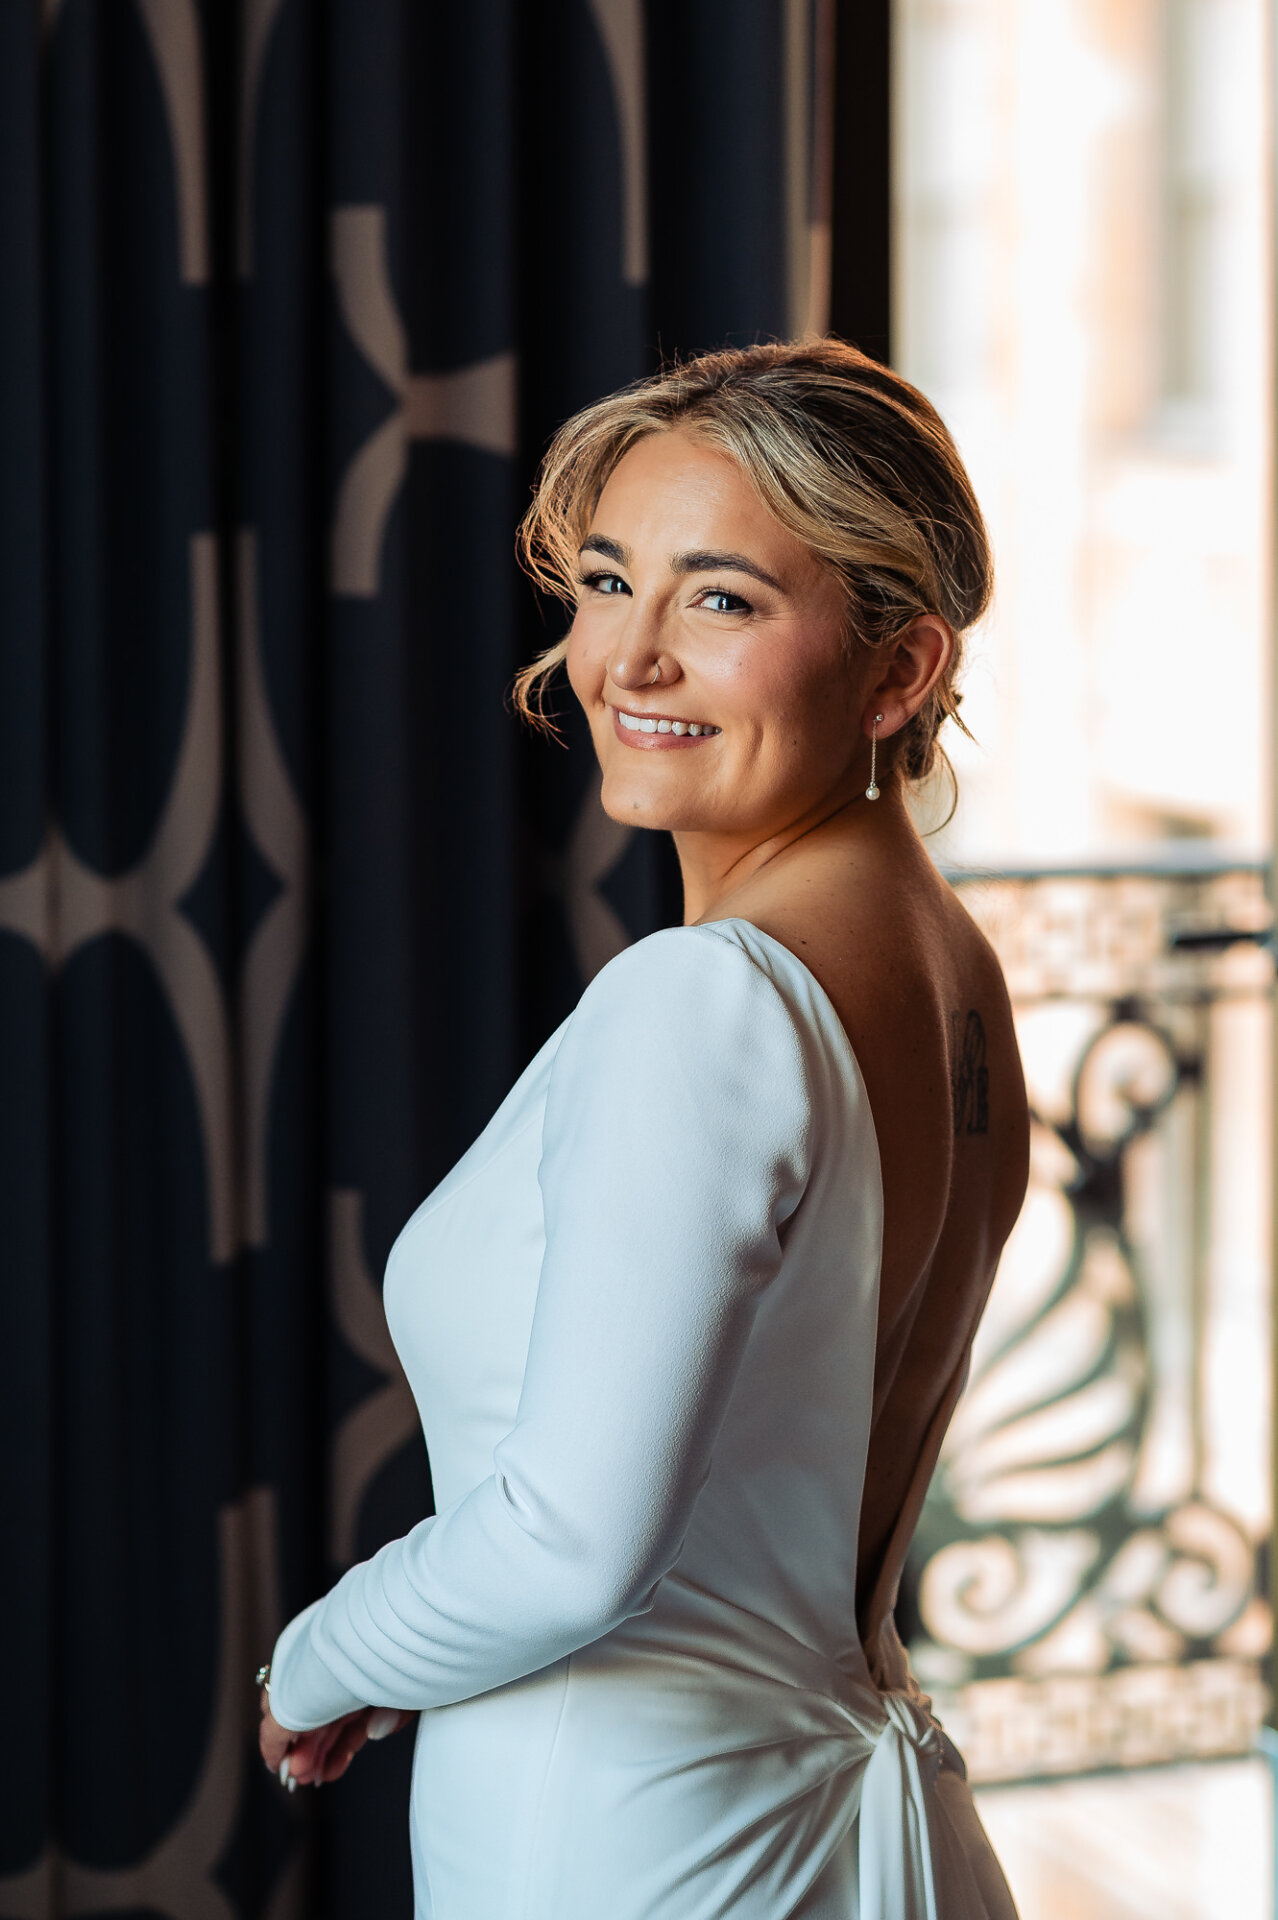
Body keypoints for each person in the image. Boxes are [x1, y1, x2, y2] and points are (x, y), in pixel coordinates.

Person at [258, 338, 1029, 1918]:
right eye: (610, 581)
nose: (626, 659)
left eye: (721, 599)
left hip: (634, 1848)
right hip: (856, 1819)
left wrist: (326, 1653)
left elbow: (567, 1542)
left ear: (899, 670)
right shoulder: (949, 969)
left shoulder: (709, 997)